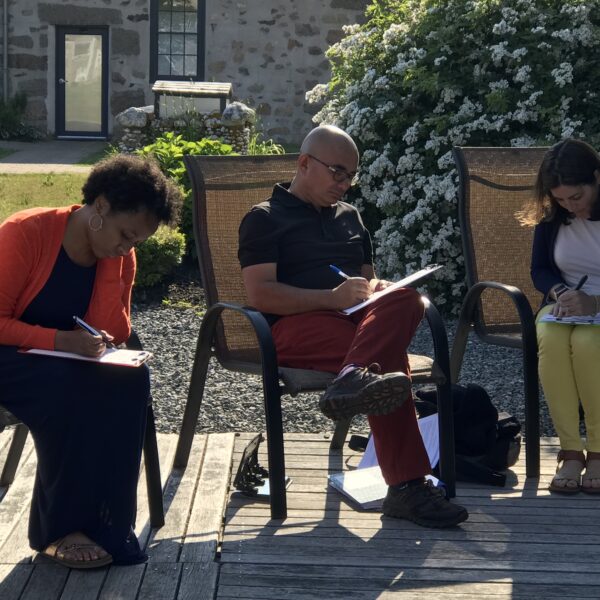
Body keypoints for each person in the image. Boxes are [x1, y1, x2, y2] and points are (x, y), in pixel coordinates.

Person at [238, 124, 468, 528]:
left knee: (407, 297)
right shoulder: (264, 218)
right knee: (388, 362)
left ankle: (352, 377)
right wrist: (330, 298)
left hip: (355, 326)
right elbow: (260, 296)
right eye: (337, 172)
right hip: (294, 329)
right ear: (305, 163)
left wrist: (377, 288)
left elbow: (367, 283)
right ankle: (408, 488)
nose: (345, 184)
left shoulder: (351, 217)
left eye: (351, 175)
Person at [0, 155, 181, 567]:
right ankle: (57, 530)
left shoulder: (119, 255)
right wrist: (59, 340)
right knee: (69, 386)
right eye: (125, 234)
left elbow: (113, 330)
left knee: (130, 380)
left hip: (63, 360)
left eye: (136, 241)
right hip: (8, 355)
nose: (127, 246)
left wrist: (113, 265)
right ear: (100, 206)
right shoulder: (26, 233)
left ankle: (108, 524)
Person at [525, 138, 600, 494]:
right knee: (551, 341)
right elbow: (539, 270)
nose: (569, 207)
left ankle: (599, 453)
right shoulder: (554, 217)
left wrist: (595, 304)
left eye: (576, 197)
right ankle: (570, 451)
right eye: (560, 200)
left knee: (588, 345)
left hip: (596, 310)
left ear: (596, 179)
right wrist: (560, 292)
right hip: (562, 305)